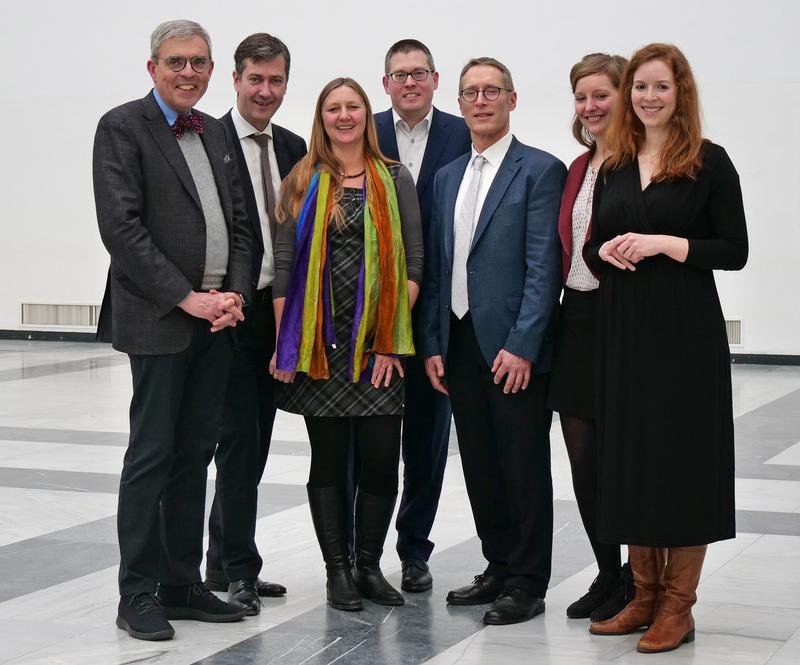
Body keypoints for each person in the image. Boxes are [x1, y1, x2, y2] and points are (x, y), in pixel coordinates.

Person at [584, 43, 748, 653]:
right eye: (640, 87)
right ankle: (643, 596)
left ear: (681, 94)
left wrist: (665, 244)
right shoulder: (617, 163)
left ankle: (678, 606)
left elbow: (734, 249)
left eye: (661, 87)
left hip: (684, 335)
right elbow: (594, 243)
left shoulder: (709, 162)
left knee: (681, 462)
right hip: (624, 331)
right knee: (633, 461)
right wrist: (605, 250)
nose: (648, 97)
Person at [93, 20, 251, 641]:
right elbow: (121, 229)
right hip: (161, 317)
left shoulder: (213, 130)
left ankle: (182, 582)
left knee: (195, 455)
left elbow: (240, 220)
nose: (189, 72)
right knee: (152, 455)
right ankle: (137, 592)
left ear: (212, 70)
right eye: (176, 62)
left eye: (199, 62)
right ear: (153, 67)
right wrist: (188, 298)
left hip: (216, 322)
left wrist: (232, 293)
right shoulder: (122, 126)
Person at [419, 57, 565, 625]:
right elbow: (436, 268)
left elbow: (542, 267)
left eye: (491, 91)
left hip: (512, 348)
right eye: (471, 93)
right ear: (459, 103)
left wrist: (525, 344)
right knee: (479, 463)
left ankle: (527, 582)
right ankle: (499, 566)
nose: (481, 101)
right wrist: (432, 342)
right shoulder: (447, 176)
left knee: (522, 465)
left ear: (511, 98)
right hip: (457, 341)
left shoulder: (539, 170)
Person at [270, 78, 423, 612]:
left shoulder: (396, 178)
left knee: (382, 459)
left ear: (367, 115)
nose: (343, 116)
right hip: (320, 347)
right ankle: (338, 572)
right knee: (329, 461)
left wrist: (388, 338)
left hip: (379, 347)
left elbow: (416, 261)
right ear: (322, 117)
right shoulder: (302, 178)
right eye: (333, 108)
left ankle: (369, 567)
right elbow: (285, 268)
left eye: (352, 106)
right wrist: (285, 343)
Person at [204, 32, 307, 615]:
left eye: (276, 81)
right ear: (235, 80)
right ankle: (237, 569)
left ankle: (225, 559)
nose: (265, 91)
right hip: (231, 314)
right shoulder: (208, 139)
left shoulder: (293, 146)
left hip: (280, 309)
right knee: (238, 444)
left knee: (258, 441)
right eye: (255, 80)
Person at [374, 38, 471, 593]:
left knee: (429, 440)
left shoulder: (463, 134)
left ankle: (414, 549)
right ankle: (363, 550)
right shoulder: (366, 132)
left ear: (435, 80)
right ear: (385, 83)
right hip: (372, 314)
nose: (409, 83)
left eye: (418, 73)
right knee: (372, 438)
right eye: (398, 75)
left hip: (438, 313)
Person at [546, 53, 634, 621]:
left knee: (627, 453)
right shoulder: (578, 166)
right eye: (581, 97)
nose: (590, 106)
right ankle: (607, 572)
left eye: (601, 95)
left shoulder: (637, 166)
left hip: (623, 319)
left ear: (624, 97)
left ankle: (639, 577)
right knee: (583, 454)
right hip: (574, 318)